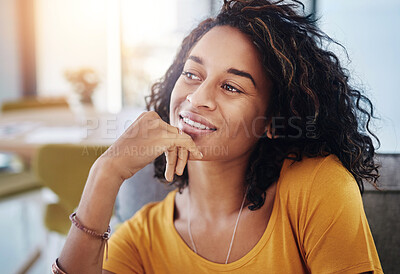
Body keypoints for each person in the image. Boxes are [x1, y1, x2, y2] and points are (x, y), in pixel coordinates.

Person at [54, 0, 383, 273]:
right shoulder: (142, 237)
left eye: (231, 86)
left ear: (272, 119)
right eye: (192, 74)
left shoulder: (317, 188)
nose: (197, 98)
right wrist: (104, 173)